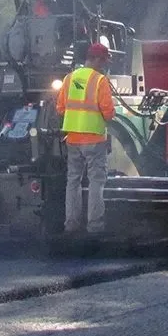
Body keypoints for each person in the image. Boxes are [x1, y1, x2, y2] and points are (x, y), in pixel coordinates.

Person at [55, 42, 115, 235]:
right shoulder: (100, 80)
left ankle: (71, 225)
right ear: (96, 59)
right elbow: (108, 113)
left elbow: (60, 108)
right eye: (104, 60)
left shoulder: (69, 78)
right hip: (94, 140)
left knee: (73, 181)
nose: (105, 65)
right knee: (96, 180)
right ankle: (94, 226)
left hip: (72, 139)